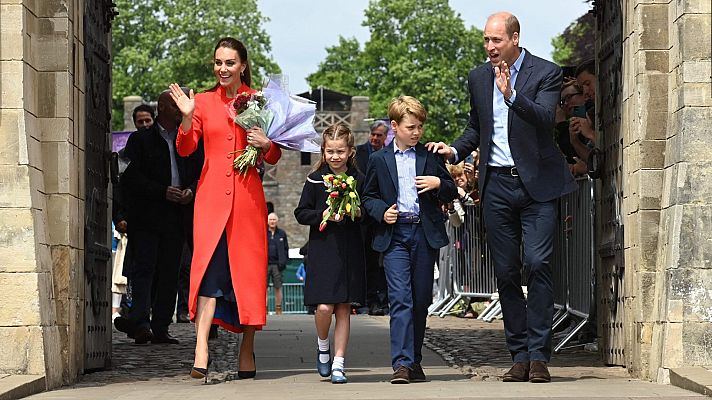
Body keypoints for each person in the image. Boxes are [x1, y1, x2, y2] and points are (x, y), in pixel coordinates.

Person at [427, 12, 577, 383]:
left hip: (537, 186)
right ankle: (520, 353)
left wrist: (512, 95)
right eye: (486, 41)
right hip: (496, 187)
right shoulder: (478, 78)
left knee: (539, 263)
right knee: (506, 271)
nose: (490, 48)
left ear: (515, 38)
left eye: (496, 40)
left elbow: (545, 117)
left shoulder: (546, 72)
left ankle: (540, 354)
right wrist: (453, 151)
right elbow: (475, 129)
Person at [170, 37, 282, 382]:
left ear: (243, 65)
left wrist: (267, 145)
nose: (222, 68)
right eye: (218, 62)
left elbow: (276, 153)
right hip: (210, 201)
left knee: (247, 276)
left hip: (248, 202)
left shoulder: (262, 101)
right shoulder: (201, 102)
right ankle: (201, 348)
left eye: (229, 63)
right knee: (207, 273)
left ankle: (246, 349)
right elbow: (186, 148)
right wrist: (188, 118)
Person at [363, 96, 457, 384]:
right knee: (400, 299)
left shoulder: (429, 157)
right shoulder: (379, 160)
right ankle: (401, 363)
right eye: (411, 127)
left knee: (419, 302)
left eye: (420, 127)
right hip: (395, 236)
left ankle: (414, 359)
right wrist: (382, 212)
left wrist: (439, 183)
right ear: (395, 126)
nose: (417, 132)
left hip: (423, 234)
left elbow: (452, 190)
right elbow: (368, 197)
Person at [115, 90, 200, 345]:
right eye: (178, 105)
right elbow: (129, 177)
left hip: (176, 218)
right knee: (144, 271)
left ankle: (161, 326)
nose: (183, 109)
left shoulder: (188, 140)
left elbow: (199, 170)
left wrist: (190, 191)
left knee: (169, 272)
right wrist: (161, 191)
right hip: (147, 217)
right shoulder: (140, 141)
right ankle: (140, 323)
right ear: (164, 107)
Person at [294, 123, 366, 384]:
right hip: (323, 249)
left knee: (344, 308)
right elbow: (300, 213)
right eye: (330, 151)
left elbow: (368, 210)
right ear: (323, 152)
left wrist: (357, 211)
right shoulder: (314, 180)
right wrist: (322, 215)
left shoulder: (359, 179)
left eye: (340, 151)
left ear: (350, 152)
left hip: (349, 249)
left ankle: (339, 363)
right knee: (324, 307)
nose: (335, 156)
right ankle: (322, 345)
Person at [355, 120, 390, 315]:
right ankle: (370, 300)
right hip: (364, 217)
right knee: (367, 260)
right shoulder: (358, 153)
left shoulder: (389, 154)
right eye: (373, 134)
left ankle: (384, 300)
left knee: (383, 261)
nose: (376, 138)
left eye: (380, 135)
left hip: (383, 215)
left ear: (385, 137)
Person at [267, 212, 289, 315]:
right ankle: (264, 308)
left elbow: (286, 249)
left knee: (278, 287)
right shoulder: (263, 232)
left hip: (277, 265)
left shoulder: (282, 233)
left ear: (277, 221)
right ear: (267, 221)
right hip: (265, 265)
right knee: (264, 288)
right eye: (270, 219)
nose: (272, 221)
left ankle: (278, 309)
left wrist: (284, 261)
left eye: (274, 219)